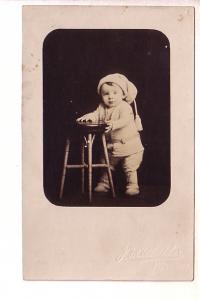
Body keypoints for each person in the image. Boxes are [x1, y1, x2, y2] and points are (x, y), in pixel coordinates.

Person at [77, 73, 144, 196]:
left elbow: (125, 120)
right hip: (112, 146)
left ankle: (133, 186)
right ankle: (104, 184)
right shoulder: (102, 107)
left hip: (129, 145)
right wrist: (89, 118)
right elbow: (96, 114)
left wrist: (114, 124)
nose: (110, 97)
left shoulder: (125, 107)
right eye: (106, 94)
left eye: (115, 93)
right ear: (101, 95)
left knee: (130, 167)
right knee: (107, 164)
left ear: (123, 94)